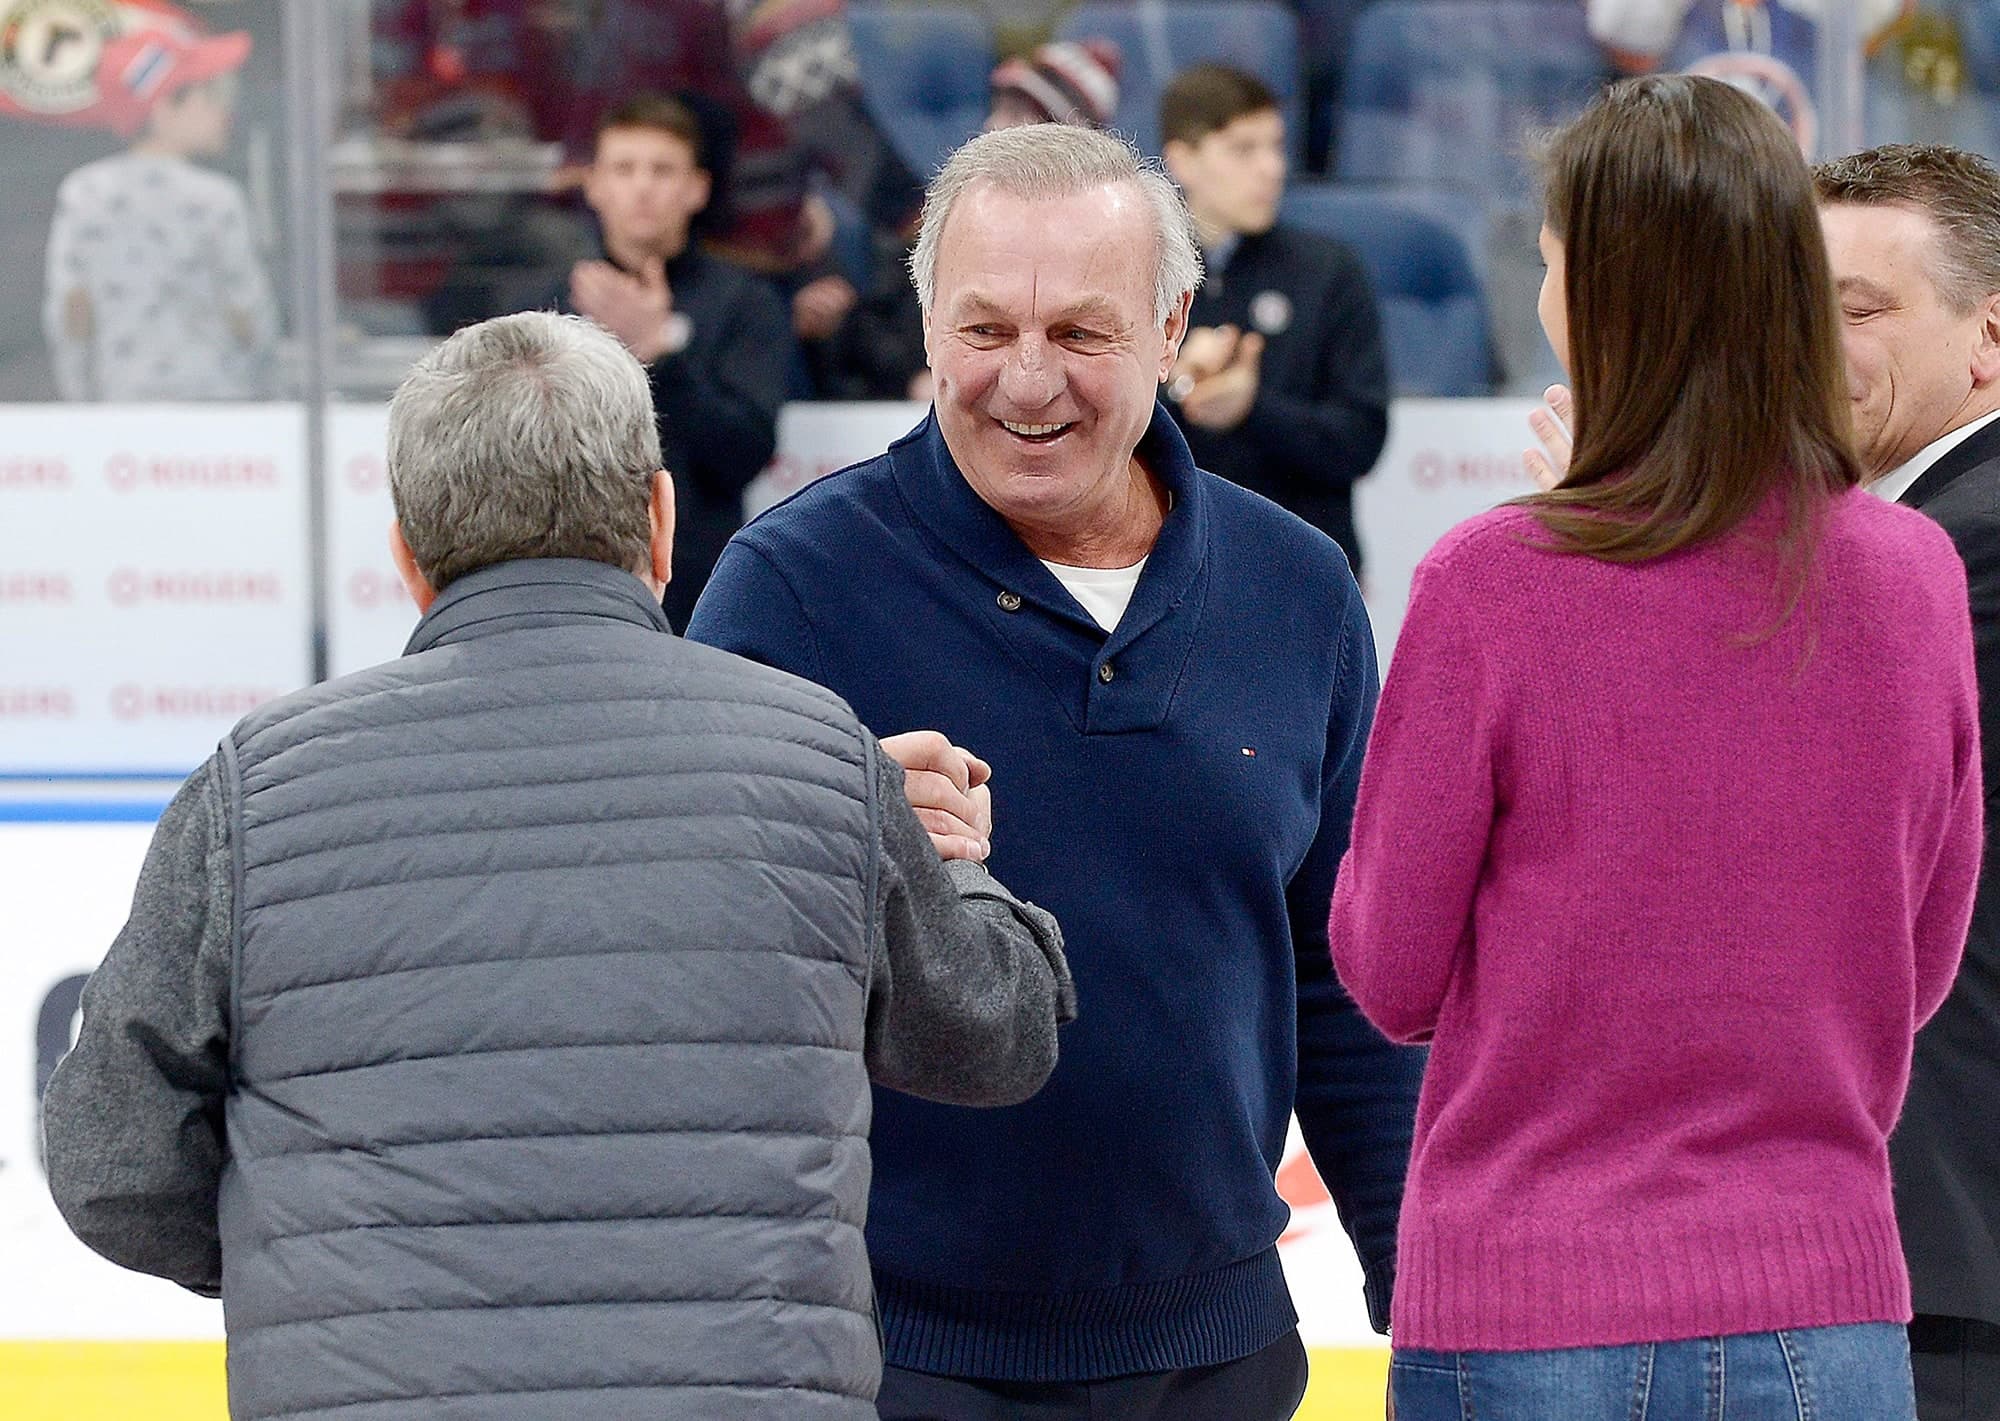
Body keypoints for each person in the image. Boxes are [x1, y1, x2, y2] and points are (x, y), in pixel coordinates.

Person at [40, 311, 1075, 1420]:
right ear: (662, 521)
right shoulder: (819, 761)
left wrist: (302, 1243)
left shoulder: (253, 790)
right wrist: (946, 856)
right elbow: (997, 1033)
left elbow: (111, 1160)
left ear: (407, 557)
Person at [690, 123, 1421, 1421]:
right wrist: (829, 846)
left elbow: (1347, 984)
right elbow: (690, 981)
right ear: (927, 329)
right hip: (886, 1360)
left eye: (1080, 332)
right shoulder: (789, 588)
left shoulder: (1297, 588)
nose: (1028, 382)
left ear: (1171, 325)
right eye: (985, 330)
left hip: (1221, 1357)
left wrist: (1416, 1289)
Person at [1332, 76, 1982, 1421]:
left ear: (1598, 298)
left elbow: (1387, 969)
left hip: (1529, 1305)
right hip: (1826, 1306)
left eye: (1549, 263)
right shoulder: (1914, 571)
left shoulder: (1489, 582)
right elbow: (1913, 963)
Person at [1814, 143, 2000, 1421]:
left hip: (1941, 1235)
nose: (1807, 347)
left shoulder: (1965, 540)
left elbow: (1803, 808)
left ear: (1987, 335)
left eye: (1859, 308)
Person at [552, 93, 791, 630]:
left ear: (697, 188)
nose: (643, 187)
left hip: (701, 594)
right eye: (624, 168)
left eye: (662, 170)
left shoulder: (744, 304)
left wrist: (657, 354)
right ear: (594, 184)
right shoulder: (547, 306)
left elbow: (744, 453)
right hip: (568, 584)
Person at [1159, 64, 1388, 576]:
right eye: (1244, 149)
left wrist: (1252, 409)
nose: (1272, 168)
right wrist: (1176, 388)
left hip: (1306, 569)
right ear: (1183, 160)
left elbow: (1361, 439)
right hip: (1168, 565)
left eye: (1276, 146)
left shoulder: (1329, 272)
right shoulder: (1138, 273)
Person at [815, 38, 1123, 404]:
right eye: (999, 110)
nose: (993, 125)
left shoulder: (1111, 252)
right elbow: (870, 333)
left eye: (1017, 115)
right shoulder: (944, 225)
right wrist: (912, 377)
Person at [42, 24, 278, 401]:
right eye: (212, 95)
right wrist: (265, 393)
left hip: (119, 402)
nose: (225, 110)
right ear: (164, 106)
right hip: (220, 408)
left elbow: (71, 313)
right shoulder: (216, 198)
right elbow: (248, 316)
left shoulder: (84, 192)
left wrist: (82, 402)